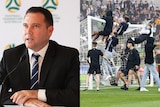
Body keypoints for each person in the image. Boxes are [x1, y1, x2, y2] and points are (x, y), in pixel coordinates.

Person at [0, 7, 79, 107]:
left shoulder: (68, 56)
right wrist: (24, 101)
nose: (28, 31)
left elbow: (75, 95)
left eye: (35, 26)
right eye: (25, 26)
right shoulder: (10, 56)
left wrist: (37, 94)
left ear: (50, 31)